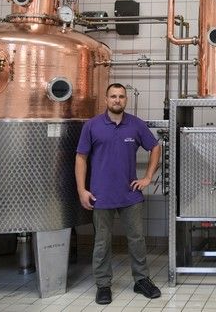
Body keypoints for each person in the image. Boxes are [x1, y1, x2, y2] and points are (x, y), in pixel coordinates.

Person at [75, 83, 163, 305]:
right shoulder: (92, 126)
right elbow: (81, 158)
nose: (117, 100)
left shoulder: (136, 125)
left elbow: (155, 147)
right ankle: (103, 285)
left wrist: (147, 177)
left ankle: (141, 280)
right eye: (113, 96)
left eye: (121, 96)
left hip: (129, 195)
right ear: (106, 100)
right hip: (100, 195)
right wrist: (81, 190)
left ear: (126, 100)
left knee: (137, 239)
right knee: (102, 242)